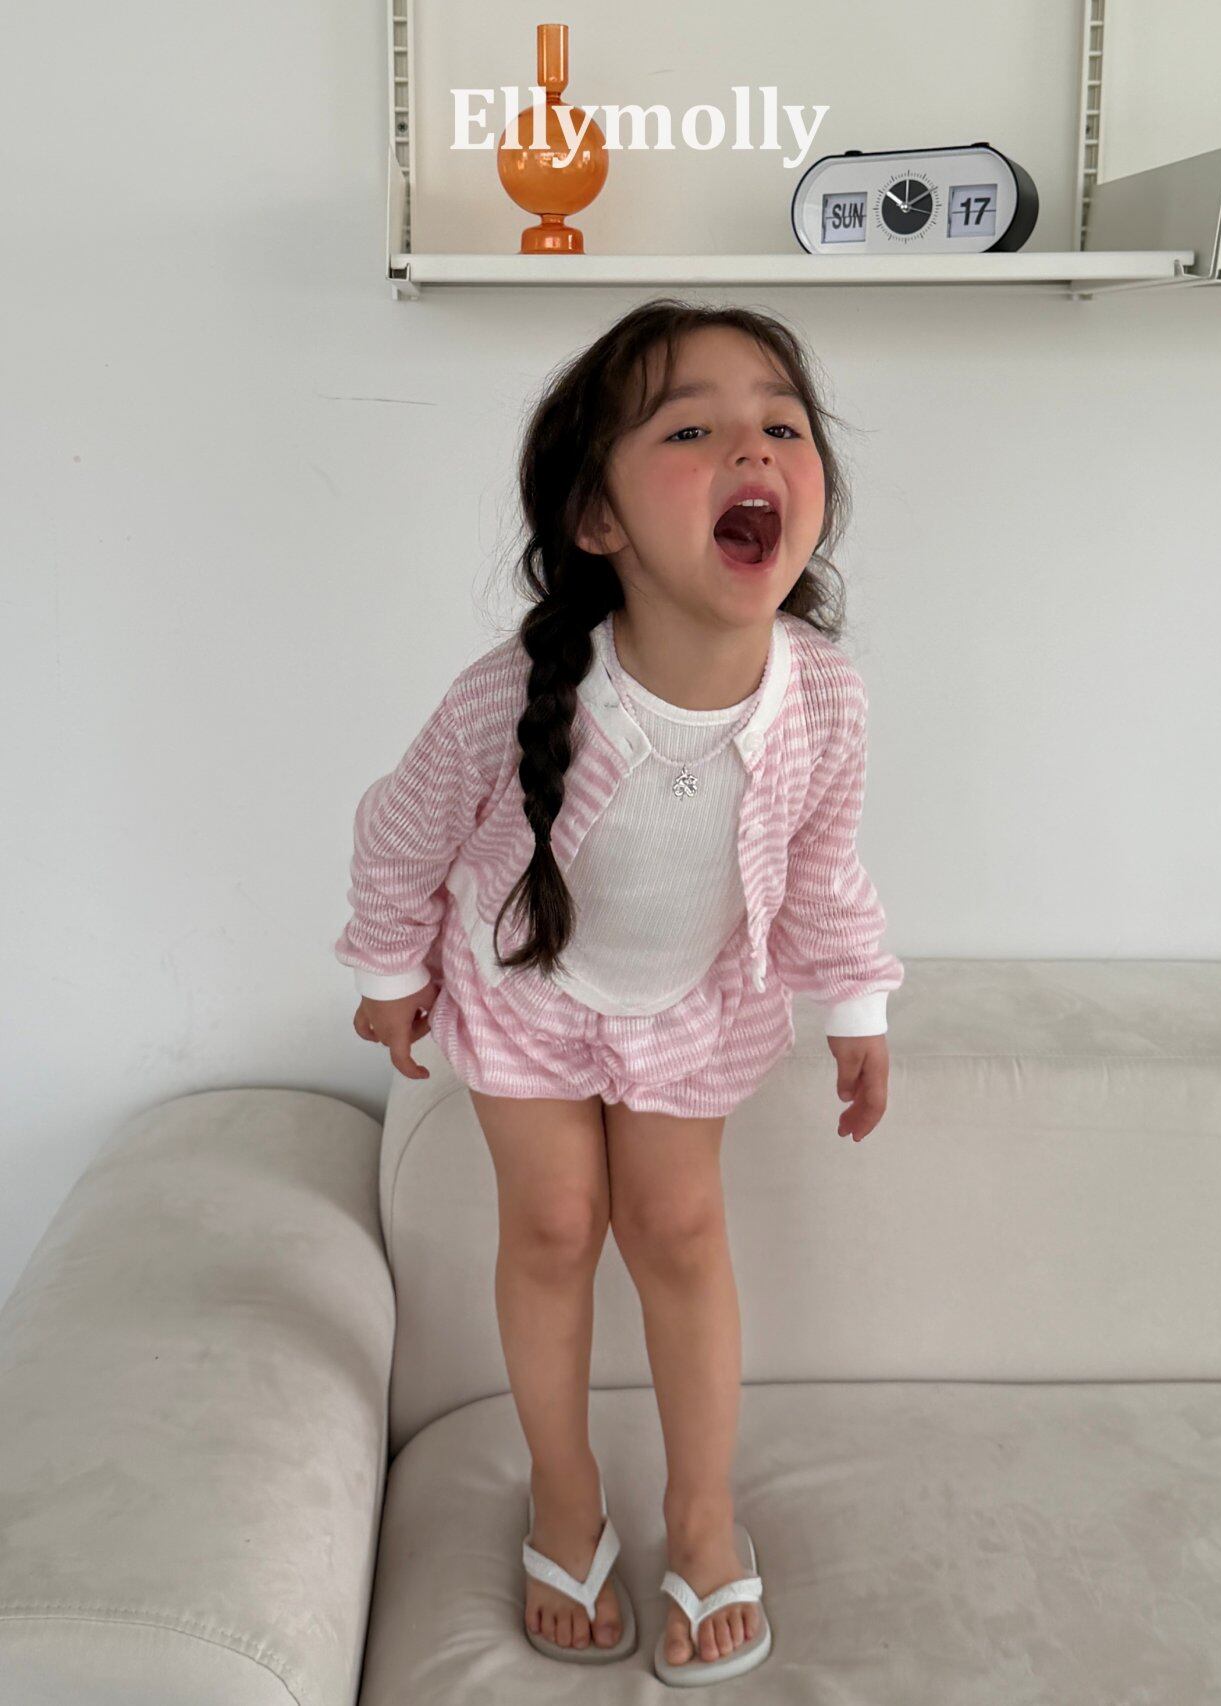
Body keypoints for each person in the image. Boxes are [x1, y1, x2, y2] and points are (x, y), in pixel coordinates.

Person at [334, 297, 905, 1683]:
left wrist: (857, 1005)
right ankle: (566, 1491)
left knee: (678, 1231)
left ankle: (702, 1516)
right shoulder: (513, 694)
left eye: (783, 427)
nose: (751, 451)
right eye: (690, 431)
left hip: (692, 1000)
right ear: (598, 518)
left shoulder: (824, 698)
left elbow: (824, 866)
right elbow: (402, 828)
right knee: (553, 1226)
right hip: (525, 986)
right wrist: (392, 968)